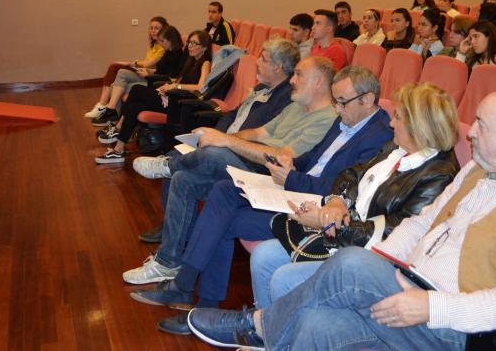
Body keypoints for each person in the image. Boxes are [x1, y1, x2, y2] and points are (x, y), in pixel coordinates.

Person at [186, 90, 496, 350]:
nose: (472, 134)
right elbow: (420, 225)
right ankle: (267, 330)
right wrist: (390, 266)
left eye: (481, 124)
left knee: (352, 264)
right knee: (313, 323)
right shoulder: (477, 171)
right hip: (408, 286)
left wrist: (433, 306)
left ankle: (255, 326)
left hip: (454, 328)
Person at [130, 66, 394, 334]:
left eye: (342, 102)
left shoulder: (379, 135)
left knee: (223, 216)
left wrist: (291, 178)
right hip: (293, 188)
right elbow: (313, 158)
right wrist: (289, 163)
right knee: (223, 191)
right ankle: (189, 291)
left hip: (312, 207)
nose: (337, 109)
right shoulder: (346, 119)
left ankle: (188, 291)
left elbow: (339, 188)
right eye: (336, 101)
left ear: (368, 99)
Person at [121, 56, 338, 285]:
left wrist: (226, 143)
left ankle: (167, 165)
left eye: (299, 74)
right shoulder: (297, 106)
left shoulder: (327, 119)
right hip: (250, 164)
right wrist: (222, 138)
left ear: (318, 82)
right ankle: (168, 262)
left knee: (214, 153)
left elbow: (281, 157)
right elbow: (258, 133)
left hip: (270, 178)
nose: (292, 80)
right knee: (184, 179)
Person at [251, 82, 460, 309]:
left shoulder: (439, 177)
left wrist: (327, 221)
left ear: (418, 126)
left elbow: (394, 233)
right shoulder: (396, 148)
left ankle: (274, 333)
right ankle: (265, 337)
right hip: (347, 235)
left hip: (371, 257)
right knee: (263, 256)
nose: (391, 123)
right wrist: (338, 201)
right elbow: (352, 173)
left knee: (284, 279)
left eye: (398, 117)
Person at [134, 38, 298, 245]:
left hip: (245, 158)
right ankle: (172, 225)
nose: (257, 62)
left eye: (263, 59)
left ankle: (168, 181)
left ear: (277, 67)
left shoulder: (286, 98)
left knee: (178, 169)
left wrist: (222, 140)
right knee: (177, 156)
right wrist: (213, 134)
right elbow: (231, 115)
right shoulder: (261, 87)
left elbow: (261, 139)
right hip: (226, 143)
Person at [95, 30, 212, 163]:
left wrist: (175, 87)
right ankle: (118, 150)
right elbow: (178, 81)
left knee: (136, 89)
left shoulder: (205, 63)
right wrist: (167, 86)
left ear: (204, 47)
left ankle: (118, 128)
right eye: (189, 42)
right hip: (171, 98)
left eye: (195, 43)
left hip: (179, 105)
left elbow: (200, 87)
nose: (190, 46)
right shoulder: (190, 61)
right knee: (135, 106)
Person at [89, 23, 184, 126]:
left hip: (156, 84)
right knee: (121, 73)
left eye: (162, 41)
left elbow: (171, 78)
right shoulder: (168, 52)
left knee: (119, 86)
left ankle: (114, 117)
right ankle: (112, 113)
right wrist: (147, 71)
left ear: (171, 40)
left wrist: (147, 75)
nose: (160, 44)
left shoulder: (177, 55)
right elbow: (160, 70)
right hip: (151, 77)